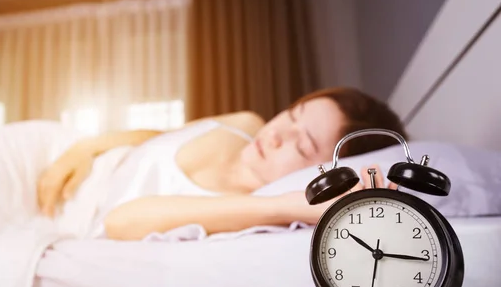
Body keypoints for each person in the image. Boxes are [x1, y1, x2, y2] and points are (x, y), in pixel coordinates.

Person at [37, 87, 407, 241]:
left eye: (303, 144)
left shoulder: (244, 209)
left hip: (56, 220)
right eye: (292, 115)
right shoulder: (247, 123)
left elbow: (119, 221)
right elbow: (156, 134)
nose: (278, 134)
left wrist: (290, 205)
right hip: (66, 162)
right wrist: (84, 149)